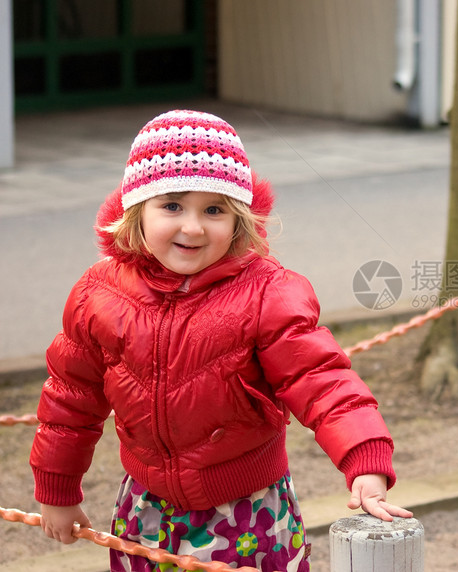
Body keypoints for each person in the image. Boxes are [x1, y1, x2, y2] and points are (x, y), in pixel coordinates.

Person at [29, 109, 412, 571]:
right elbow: (71, 401)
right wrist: (57, 491)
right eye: (172, 205)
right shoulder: (99, 295)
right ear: (136, 209)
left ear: (239, 220)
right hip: (146, 507)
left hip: (246, 510)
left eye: (214, 210)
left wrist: (364, 459)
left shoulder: (268, 293)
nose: (193, 227)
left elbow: (323, 381)